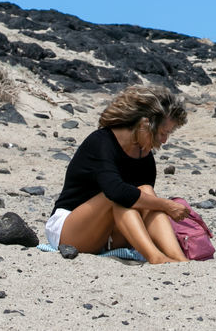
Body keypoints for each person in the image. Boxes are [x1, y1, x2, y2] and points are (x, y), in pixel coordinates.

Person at [45, 84, 190, 263]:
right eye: (162, 132)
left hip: (111, 233)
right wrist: (167, 205)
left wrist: (162, 206)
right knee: (119, 197)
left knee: (145, 192)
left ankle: (179, 259)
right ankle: (156, 258)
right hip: (70, 229)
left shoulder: (145, 158)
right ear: (145, 123)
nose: (164, 140)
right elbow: (115, 191)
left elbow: (143, 204)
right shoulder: (100, 142)